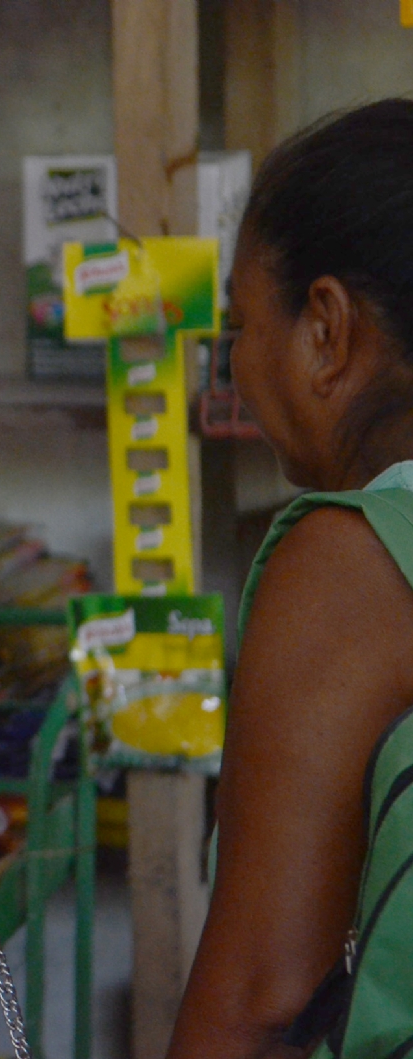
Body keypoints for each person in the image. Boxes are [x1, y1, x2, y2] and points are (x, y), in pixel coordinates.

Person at [169, 100, 413, 1058]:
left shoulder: (353, 559)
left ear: (326, 329)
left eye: (239, 322)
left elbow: (259, 997)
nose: (237, 360)